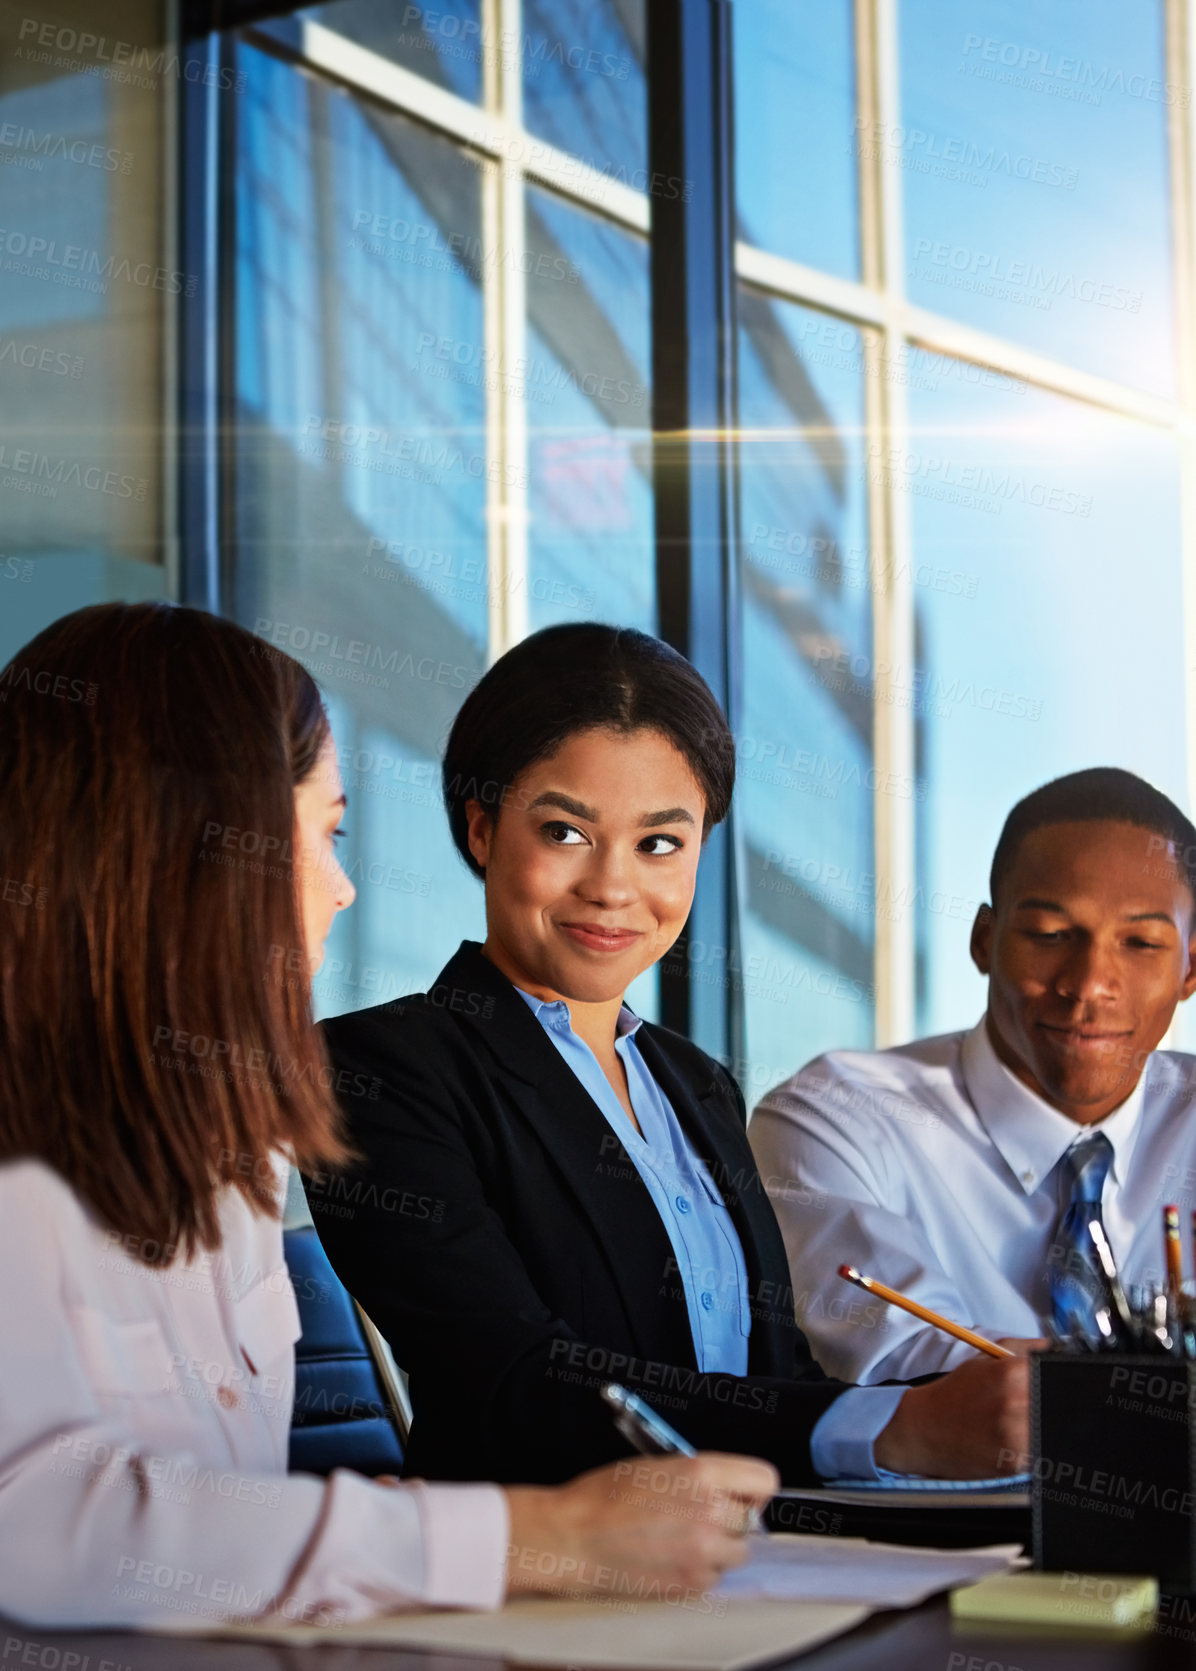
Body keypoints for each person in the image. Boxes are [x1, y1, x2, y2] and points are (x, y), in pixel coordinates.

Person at [0, 602, 777, 1631]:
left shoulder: (219, 1148)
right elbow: (40, 1528)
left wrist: (369, 1525)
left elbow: (193, 1504)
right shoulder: (367, 1077)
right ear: (186, 848)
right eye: (321, 834)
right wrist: (524, 1539)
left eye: (660, 842)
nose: (345, 888)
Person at [315, 623, 1030, 1491]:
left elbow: (779, 1389)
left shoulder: (696, 1084)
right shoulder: (379, 1067)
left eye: (661, 843)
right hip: (538, 1588)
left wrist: (966, 1402)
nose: (615, 886)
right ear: (482, 828)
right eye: (566, 832)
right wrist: (895, 1427)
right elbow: (512, 1386)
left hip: (761, 1566)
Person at [751, 767, 1196, 1385]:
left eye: (1142, 943)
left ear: (1190, 969)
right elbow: (905, 1361)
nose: (1090, 984)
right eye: (1049, 934)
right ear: (984, 941)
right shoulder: (837, 1116)